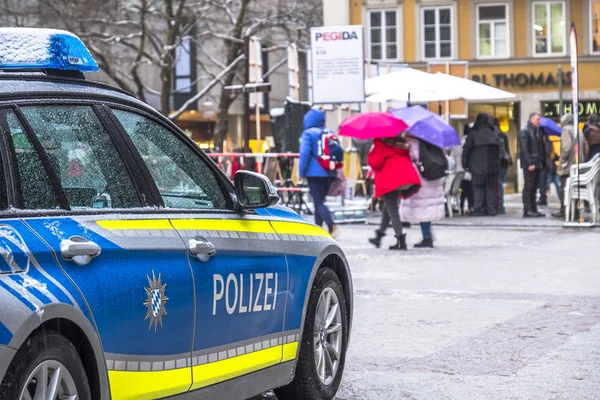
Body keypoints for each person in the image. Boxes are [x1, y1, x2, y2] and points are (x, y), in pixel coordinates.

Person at [367, 135, 421, 250]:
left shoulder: (381, 143)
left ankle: (400, 240)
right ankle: (379, 236)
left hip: (391, 180)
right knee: (388, 208)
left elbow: (376, 163)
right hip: (406, 178)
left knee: (393, 213)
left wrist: (371, 153)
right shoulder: (400, 143)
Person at [299, 109, 339, 237]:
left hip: (314, 173)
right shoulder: (329, 132)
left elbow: (305, 153)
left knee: (319, 202)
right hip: (329, 172)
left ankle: (332, 225)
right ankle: (318, 231)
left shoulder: (308, 134)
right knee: (319, 202)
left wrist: (301, 172)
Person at [400, 136, 446, 248]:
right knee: (426, 207)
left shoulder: (411, 142)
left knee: (423, 208)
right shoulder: (432, 140)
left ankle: (427, 237)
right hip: (433, 176)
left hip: (420, 177)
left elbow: (410, 156)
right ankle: (428, 235)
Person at [462, 113, 502, 216]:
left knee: (478, 188)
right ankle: (491, 209)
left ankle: (479, 209)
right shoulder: (494, 133)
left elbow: (466, 150)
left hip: (476, 166)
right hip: (492, 166)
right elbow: (500, 150)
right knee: (490, 189)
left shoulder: (473, 134)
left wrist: (465, 163)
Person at [552, 113, 589, 218]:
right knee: (576, 189)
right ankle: (575, 211)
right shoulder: (579, 130)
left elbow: (567, 147)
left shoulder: (566, 130)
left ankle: (564, 210)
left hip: (568, 166)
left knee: (564, 188)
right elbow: (586, 148)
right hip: (579, 165)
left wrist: (562, 160)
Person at [519, 112, 546, 218]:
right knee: (529, 187)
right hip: (530, 163)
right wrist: (530, 162)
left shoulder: (537, 131)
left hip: (538, 162)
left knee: (535, 187)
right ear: (531, 119)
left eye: (540, 120)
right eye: (537, 120)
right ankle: (528, 209)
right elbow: (524, 149)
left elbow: (540, 148)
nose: (539, 122)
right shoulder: (525, 131)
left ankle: (534, 209)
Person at [494, 118, 513, 214]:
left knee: (497, 185)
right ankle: (500, 206)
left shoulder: (494, 135)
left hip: (497, 163)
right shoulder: (503, 135)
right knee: (500, 184)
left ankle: (499, 206)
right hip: (504, 163)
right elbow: (507, 150)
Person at [459, 123, 474, 214]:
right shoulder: (470, 141)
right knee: (470, 190)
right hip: (468, 170)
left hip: (461, 170)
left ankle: (461, 206)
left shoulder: (460, 141)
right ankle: (470, 206)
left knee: (463, 191)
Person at [537, 129, 554, 207]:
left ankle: (543, 198)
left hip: (545, 164)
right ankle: (542, 197)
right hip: (543, 164)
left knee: (543, 182)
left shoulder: (547, 142)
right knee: (542, 182)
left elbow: (548, 151)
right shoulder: (541, 142)